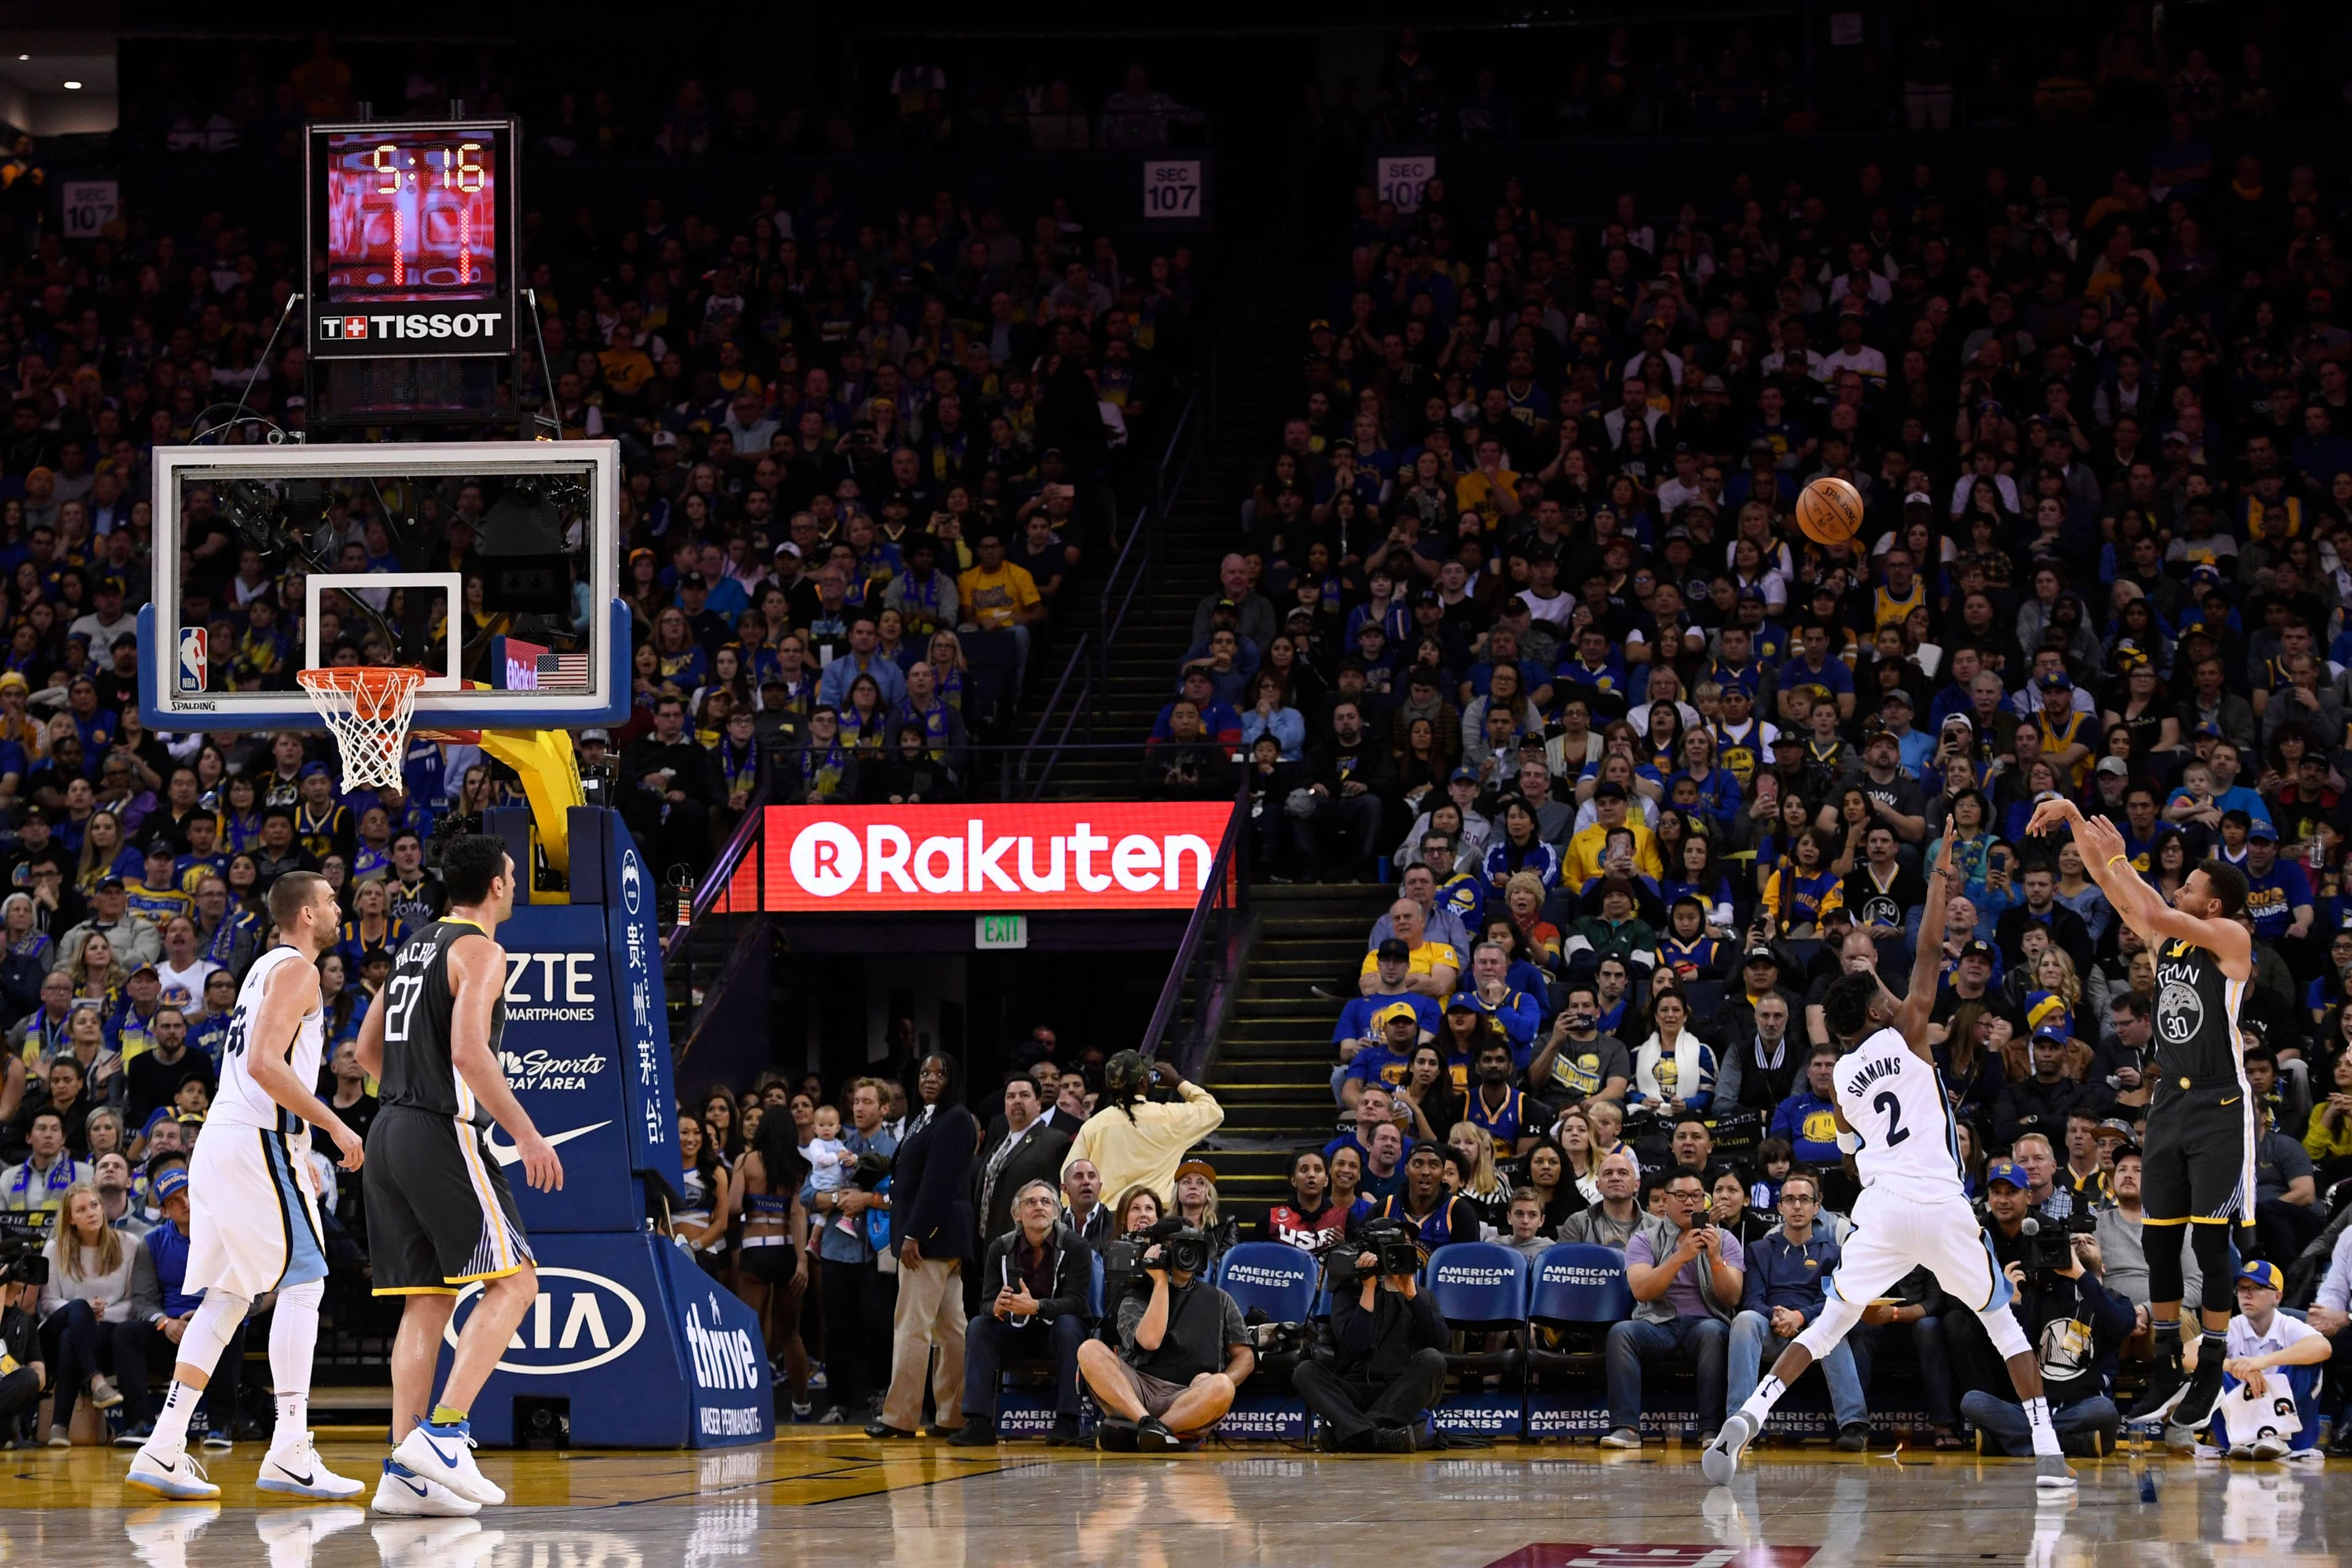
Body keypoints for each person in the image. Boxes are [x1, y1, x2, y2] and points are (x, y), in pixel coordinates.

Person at [1705, 835, 2079, 1491]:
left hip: (1879, 1208)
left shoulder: (1842, 1078)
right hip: (1939, 1201)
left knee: (1830, 1325)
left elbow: (1850, 1150)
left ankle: (1749, 1414)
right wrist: (1937, 878)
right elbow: (1932, 951)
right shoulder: (1908, 1029)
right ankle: (2047, 1447)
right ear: (1879, 1010)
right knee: (2000, 1320)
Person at [124, 870, 365, 1503]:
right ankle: (290, 1446)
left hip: (226, 1142)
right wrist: (334, 1127)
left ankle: (165, 1442)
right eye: (331, 898)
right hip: (258, 1139)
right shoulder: (298, 971)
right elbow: (264, 1062)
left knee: (229, 1296)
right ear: (307, 913)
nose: (339, 905)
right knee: (306, 1280)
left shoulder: (262, 967)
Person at [2026, 799, 2253, 1449]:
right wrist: (2075, 820)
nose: (2179, 892)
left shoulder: (2233, 939)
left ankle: (2208, 1369)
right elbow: (2120, 891)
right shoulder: (2170, 936)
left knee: (2209, 1248)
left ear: (2213, 906)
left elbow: (2147, 903)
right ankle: (2161, 1369)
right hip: (2171, 1105)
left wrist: (2124, 857)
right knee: (2158, 1244)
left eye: (2191, 888)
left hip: (2220, 1106)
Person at [353, 836, 563, 1517]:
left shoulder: (414, 945)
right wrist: (527, 1134)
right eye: (511, 872)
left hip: (386, 1129)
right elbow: (470, 1052)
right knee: (517, 1280)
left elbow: (362, 1050)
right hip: (439, 1128)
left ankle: (404, 1472)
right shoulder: (482, 950)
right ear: (499, 886)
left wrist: (409, 1093)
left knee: (428, 1300)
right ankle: (445, 1434)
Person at [1957, 1158, 2136, 1457]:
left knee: (2105, 1410)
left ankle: (2011, 1442)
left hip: (2083, 1405)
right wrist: (2011, 1304)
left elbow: (2121, 1325)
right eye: (2074, 1241)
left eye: (2089, 1241)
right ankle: (2070, 1444)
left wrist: (2081, 1276)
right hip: (2035, 1407)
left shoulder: (2116, 1301)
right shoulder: (2045, 1295)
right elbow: (2019, 1345)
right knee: (1972, 1401)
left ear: (2104, 1263)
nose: (2080, 1244)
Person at [869, 1052, 979, 1440]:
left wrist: (915, 1234)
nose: (930, 1079)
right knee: (951, 1331)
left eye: (940, 1073)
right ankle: (954, 1415)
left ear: (954, 1079)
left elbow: (939, 1183)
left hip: (930, 1240)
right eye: (925, 1073)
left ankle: (899, 1417)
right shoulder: (927, 1117)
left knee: (912, 1327)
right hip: (942, 1238)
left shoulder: (955, 1119)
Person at [1074, 1220, 1254, 1452]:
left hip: (1187, 1398)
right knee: (1089, 1349)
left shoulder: (1220, 1298)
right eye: (1179, 1247)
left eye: (1192, 1248)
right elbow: (1150, 1341)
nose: (1186, 1255)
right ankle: (1146, 1424)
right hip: (1137, 1392)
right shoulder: (1136, 1296)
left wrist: (1215, 1379)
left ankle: (1152, 1432)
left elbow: (1245, 1358)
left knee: (1223, 1386)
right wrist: (1160, 1282)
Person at [1725, 1169, 1874, 1450]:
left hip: (1814, 1335)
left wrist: (1801, 1317)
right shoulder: (1759, 1250)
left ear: (1817, 1207)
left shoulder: (1834, 1253)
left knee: (1832, 1324)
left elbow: (1832, 1300)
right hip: (1771, 1332)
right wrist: (1777, 1317)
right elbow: (1752, 1300)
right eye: (1790, 1200)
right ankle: (1739, 1424)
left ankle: (1855, 1426)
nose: (1797, 1206)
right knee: (1744, 1320)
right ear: (1779, 1207)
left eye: (1804, 1200)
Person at [1601, 1166, 1743, 1449]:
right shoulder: (1643, 1240)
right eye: (1681, 1195)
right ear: (1665, 1201)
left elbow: (1732, 1299)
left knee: (1714, 1333)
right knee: (1621, 1333)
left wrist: (1715, 1257)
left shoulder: (1725, 1240)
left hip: (1704, 1323)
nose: (1689, 1202)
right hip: (1657, 1324)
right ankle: (1626, 1429)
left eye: (1696, 1196)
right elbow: (1642, 1290)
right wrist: (1681, 1257)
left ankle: (1711, 1431)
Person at [949, 1178, 1095, 1447]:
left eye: (1046, 1202)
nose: (1039, 1207)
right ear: (1017, 1214)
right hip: (1016, 1331)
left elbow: (1077, 1303)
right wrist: (996, 1307)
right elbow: (985, 1303)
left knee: (1069, 1325)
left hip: (1058, 1335)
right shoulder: (1000, 1248)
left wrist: (1038, 1307)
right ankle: (979, 1423)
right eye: (1030, 1202)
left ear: (1056, 1212)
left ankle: (1068, 1421)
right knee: (980, 1325)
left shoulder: (1076, 1247)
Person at [1292, 1227, 1449, 1452]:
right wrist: (1368, 1289)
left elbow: (1441, 1342)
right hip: (1354, 1388)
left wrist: (1412, 1296)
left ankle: (1353, 1434)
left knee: (1434, 1360)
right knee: (1305, 1371)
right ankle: (1380, 1437)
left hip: (1400, 1391)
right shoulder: (1347, 1292)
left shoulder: (1423, 1296)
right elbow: (1356, 1345)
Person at [2195, 1259, 2334, 1458]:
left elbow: (2323, 1347)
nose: (2246, 1295)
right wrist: (2233, 1366)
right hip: (2236, 1438)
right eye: (2242, 1289)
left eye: (2257, 1288)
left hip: (2292, 1436)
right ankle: (2244, 1437)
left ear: (2277, 1296)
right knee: (2213, 1365)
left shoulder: (2289, 1325)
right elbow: (2189, 1352)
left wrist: (2261, 1363)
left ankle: (2277, 1436)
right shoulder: (2233, 1326)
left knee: (2306, 1363)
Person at [967, 1071, 1073, 1314]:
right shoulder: (1001, 1142)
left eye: (1024, 1096)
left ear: (1038, 1103)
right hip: (989, 1248)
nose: (1016, 1101)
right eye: (1011, 1096)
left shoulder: (1054, 1141)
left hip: (1025, 1252)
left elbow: (1056, 1203)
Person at [1060, 1051, 1224, 1205]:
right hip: (1156, 1218)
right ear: (1145, 1081)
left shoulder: (1094, 1126)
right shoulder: (1171, 1118)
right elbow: (1214, 1111)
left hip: (1109, 1222)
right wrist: (1178, 1082)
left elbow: (1068, 1176)